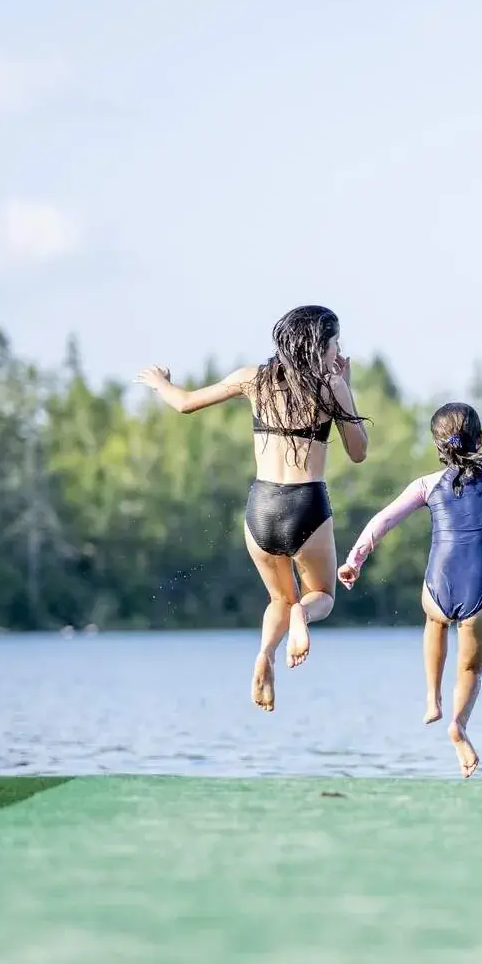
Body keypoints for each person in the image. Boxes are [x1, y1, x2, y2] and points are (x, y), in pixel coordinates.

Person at [136, 304, 368, 711]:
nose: (339, 351)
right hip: (306, 504)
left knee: (279, 598)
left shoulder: (254, 379)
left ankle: (265, 654)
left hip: (260, 508)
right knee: (321, 596)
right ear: (318, 346)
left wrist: (160, 384)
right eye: (335, 343)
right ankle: (302, 619)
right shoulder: (331, 386)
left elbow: (185, 403)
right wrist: (344, 386)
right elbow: (358, 451)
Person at [338, 403, 482, 776]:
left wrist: (355, 559)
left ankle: (432, 698)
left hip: (438, 582)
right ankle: (459, 725)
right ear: (480, 440)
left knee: (435, 621)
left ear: (438, 447)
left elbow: (383, 520)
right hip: (480, 585)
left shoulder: (427, 485)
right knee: (471, 669)